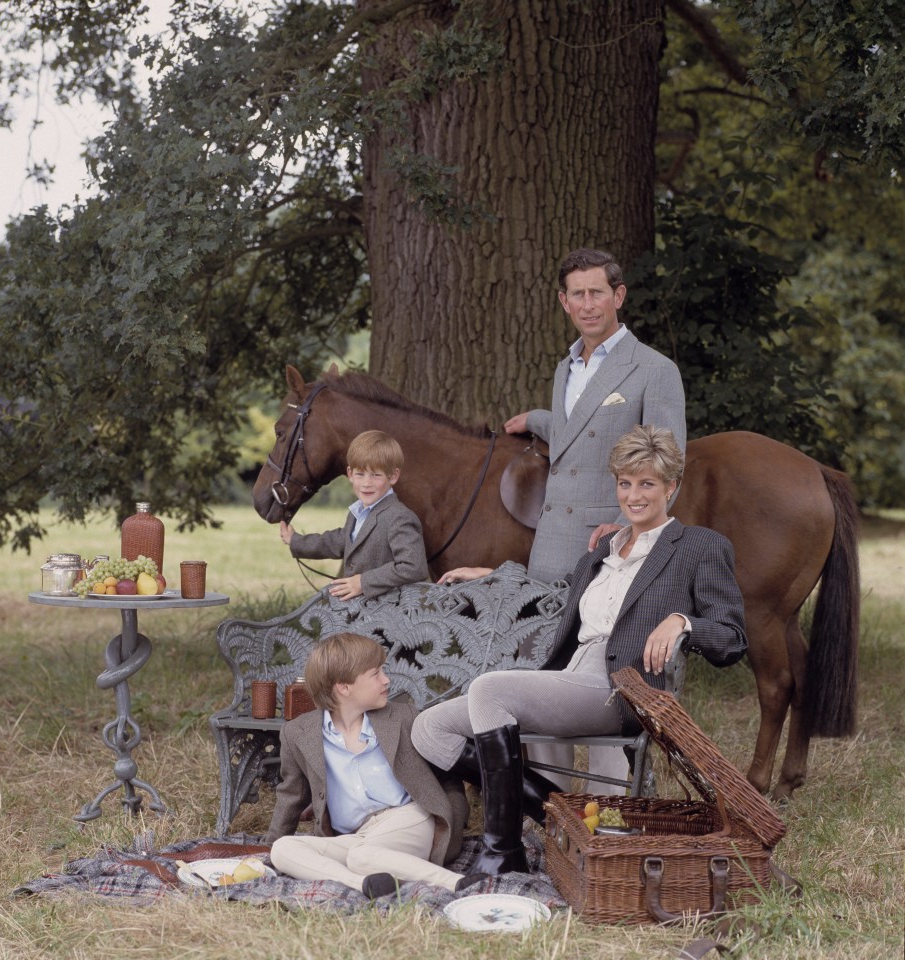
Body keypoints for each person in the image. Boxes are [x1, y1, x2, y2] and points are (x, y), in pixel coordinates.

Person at [412, 426, 747, 875]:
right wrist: (488, 574)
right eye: (625, 483)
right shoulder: (599, 553)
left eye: (647, 483)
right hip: (572, 677)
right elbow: (561, 597)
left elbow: (731, 638)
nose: (634, 495)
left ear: (672, 486)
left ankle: (502, 849)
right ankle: (562, 816)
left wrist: (683, 621)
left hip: (622, 688)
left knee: (489, 690)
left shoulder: (699, 547)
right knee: (429, 728)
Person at [439, 247, 687, 790]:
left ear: (618, 296)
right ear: (563, 302)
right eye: (577, 293)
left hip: (610, 549)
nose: (588, 303)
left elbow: (667, 465)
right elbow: (581, 428)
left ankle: (612, 810)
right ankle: (551, 806)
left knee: (602, 683)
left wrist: (630, 531)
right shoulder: (565, 366)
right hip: (551, 548)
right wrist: (540, 419)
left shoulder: (654, 370)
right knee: (542, 672)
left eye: (598, 291)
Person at [265, 633, 487, 898]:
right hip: (358, 836)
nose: (386, 680)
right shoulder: (298, 733)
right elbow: (291, 795)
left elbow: (448, 778)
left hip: (410, 818)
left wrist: (453, 821)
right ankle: (361, 884)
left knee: (361, 857)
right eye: (375, 674)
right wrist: (267, 850)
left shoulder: (405, 718)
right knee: (283, 849)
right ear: (344, 687)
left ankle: (457, 883)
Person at [280, 429, 429, 600]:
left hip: (387, 616)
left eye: (376, 475)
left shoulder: (400, 517)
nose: (366, 483)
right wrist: (296, 541)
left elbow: (413, 566)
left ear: (393, 476)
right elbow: (338, 541)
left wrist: (363, 582)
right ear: (350, 474)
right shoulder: (357, 513)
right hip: (357, 611)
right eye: (360, 474)